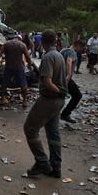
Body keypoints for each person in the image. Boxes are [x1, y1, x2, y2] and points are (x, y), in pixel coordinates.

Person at [24, 29, 67, 179]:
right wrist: (62, 93)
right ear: (55, 40)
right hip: (58, 101)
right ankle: (56, 167)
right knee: (53, 133)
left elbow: (47, 82)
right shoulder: (59, 55)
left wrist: (58, 92)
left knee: (30, 128)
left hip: (49, 99)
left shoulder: (48, 57)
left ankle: (42, 163)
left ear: (42, 41)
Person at [0, 34, 32, 107]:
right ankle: (24, 101)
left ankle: (2, 99)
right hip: (18, 67)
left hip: (8, 67)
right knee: (23, 84)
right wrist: (29, 65)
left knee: (4, 83)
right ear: (19, 39)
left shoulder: (6, 44)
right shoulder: (22, 45)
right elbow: (28, 57)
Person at [60, 40, 84, 123]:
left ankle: (55, 114)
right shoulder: (72, 52)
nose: (81, 50)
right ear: (78, 46)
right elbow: (69, 61)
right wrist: (69, 75)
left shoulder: (63, 50)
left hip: (59, 77)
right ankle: (65, 114)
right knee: (77, 95)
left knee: (60, 95)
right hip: (66, 78)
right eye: (81, 48)